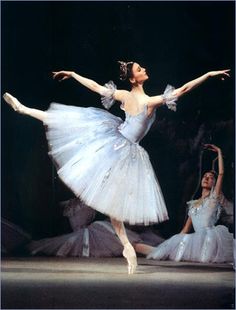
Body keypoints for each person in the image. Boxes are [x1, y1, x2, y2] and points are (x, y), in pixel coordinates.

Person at [3, 61, 230, 273]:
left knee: (113, 200)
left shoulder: (126, 96)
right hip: (120, 146)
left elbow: (96, 87)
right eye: (140, 69)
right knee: (76, 128)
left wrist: (73, 74)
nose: (144, 70)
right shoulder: (148, 102)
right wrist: (208, 75)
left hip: (117, 143)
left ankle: (25, 110)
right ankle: (126, 246)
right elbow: (183, 90)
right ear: (133, 79)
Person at [147, 144, 234, 263]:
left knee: (205, 252)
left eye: (211, 178)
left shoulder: (214, 198)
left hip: (210, 238)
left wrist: (219, 151)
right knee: (171, 247)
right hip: (196, 241)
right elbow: (185, 230)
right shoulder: (193, 205)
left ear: (215, 184)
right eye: (205, 176)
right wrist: (173, 242)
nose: (207, 178)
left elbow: (221, 174)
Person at [28, 197, 164, 258]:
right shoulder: (72, 204)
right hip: (90, 233)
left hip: (97, 231)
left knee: (128, 242)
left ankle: (163, 252)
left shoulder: (90, 201)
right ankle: (162, 252)